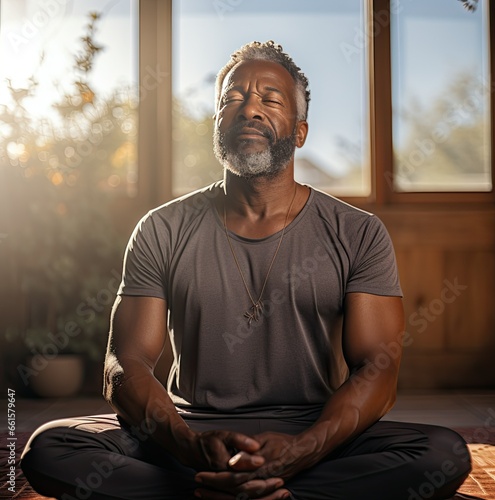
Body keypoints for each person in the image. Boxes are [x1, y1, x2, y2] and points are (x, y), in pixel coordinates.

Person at [21, 41, 471, 500]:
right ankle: (253, 490)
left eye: (270, 100)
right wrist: (191, 447)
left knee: (442, 453)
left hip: (314, 430)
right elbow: (125, 363)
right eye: (232, 99)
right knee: (52, 448)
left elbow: (379, 367)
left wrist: (302, 450)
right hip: (188, 428)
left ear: (299, 132)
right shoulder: (161, 228)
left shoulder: (358, 232)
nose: (249, 109)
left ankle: (221, 492)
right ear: (217, 123)